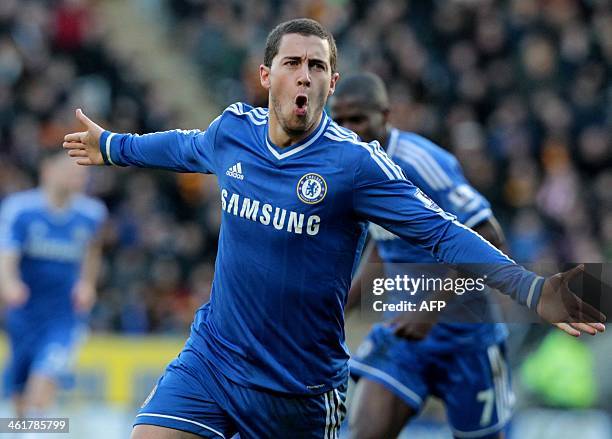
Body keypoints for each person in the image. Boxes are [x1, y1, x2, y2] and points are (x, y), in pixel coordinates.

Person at [62, 18, 605, 439]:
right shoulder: (233, 132)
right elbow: (182, 146)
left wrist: (530, 288)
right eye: (293, 63)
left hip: (296, 390)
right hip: (213, 359)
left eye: (317, 66)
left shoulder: (357, 166)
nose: (304, 75)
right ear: (266, 75)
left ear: (332, 82)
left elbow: (446, 232)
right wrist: (111, 146)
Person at [331, 72, 516, 438]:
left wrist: (429, 309)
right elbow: (385, 247)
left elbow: (490, 236)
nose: (349, 130)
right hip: (405, 336)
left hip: (468, 339)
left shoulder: (420, 163)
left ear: (385, 115)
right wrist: (340, 307)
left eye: (358, 120)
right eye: (339, 121)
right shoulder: (353, 170)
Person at [0, 152, 107, 418]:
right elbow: (7, 254)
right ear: (48, 170)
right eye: (72, 170)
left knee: (43, 381)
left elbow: (93, 252)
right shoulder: (21, 209)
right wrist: (10, 283)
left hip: (64, 317)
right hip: (24, 314)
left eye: (82, 173)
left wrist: (87, 284)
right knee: (19, 398)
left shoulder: (91, 213)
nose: (78, 176)